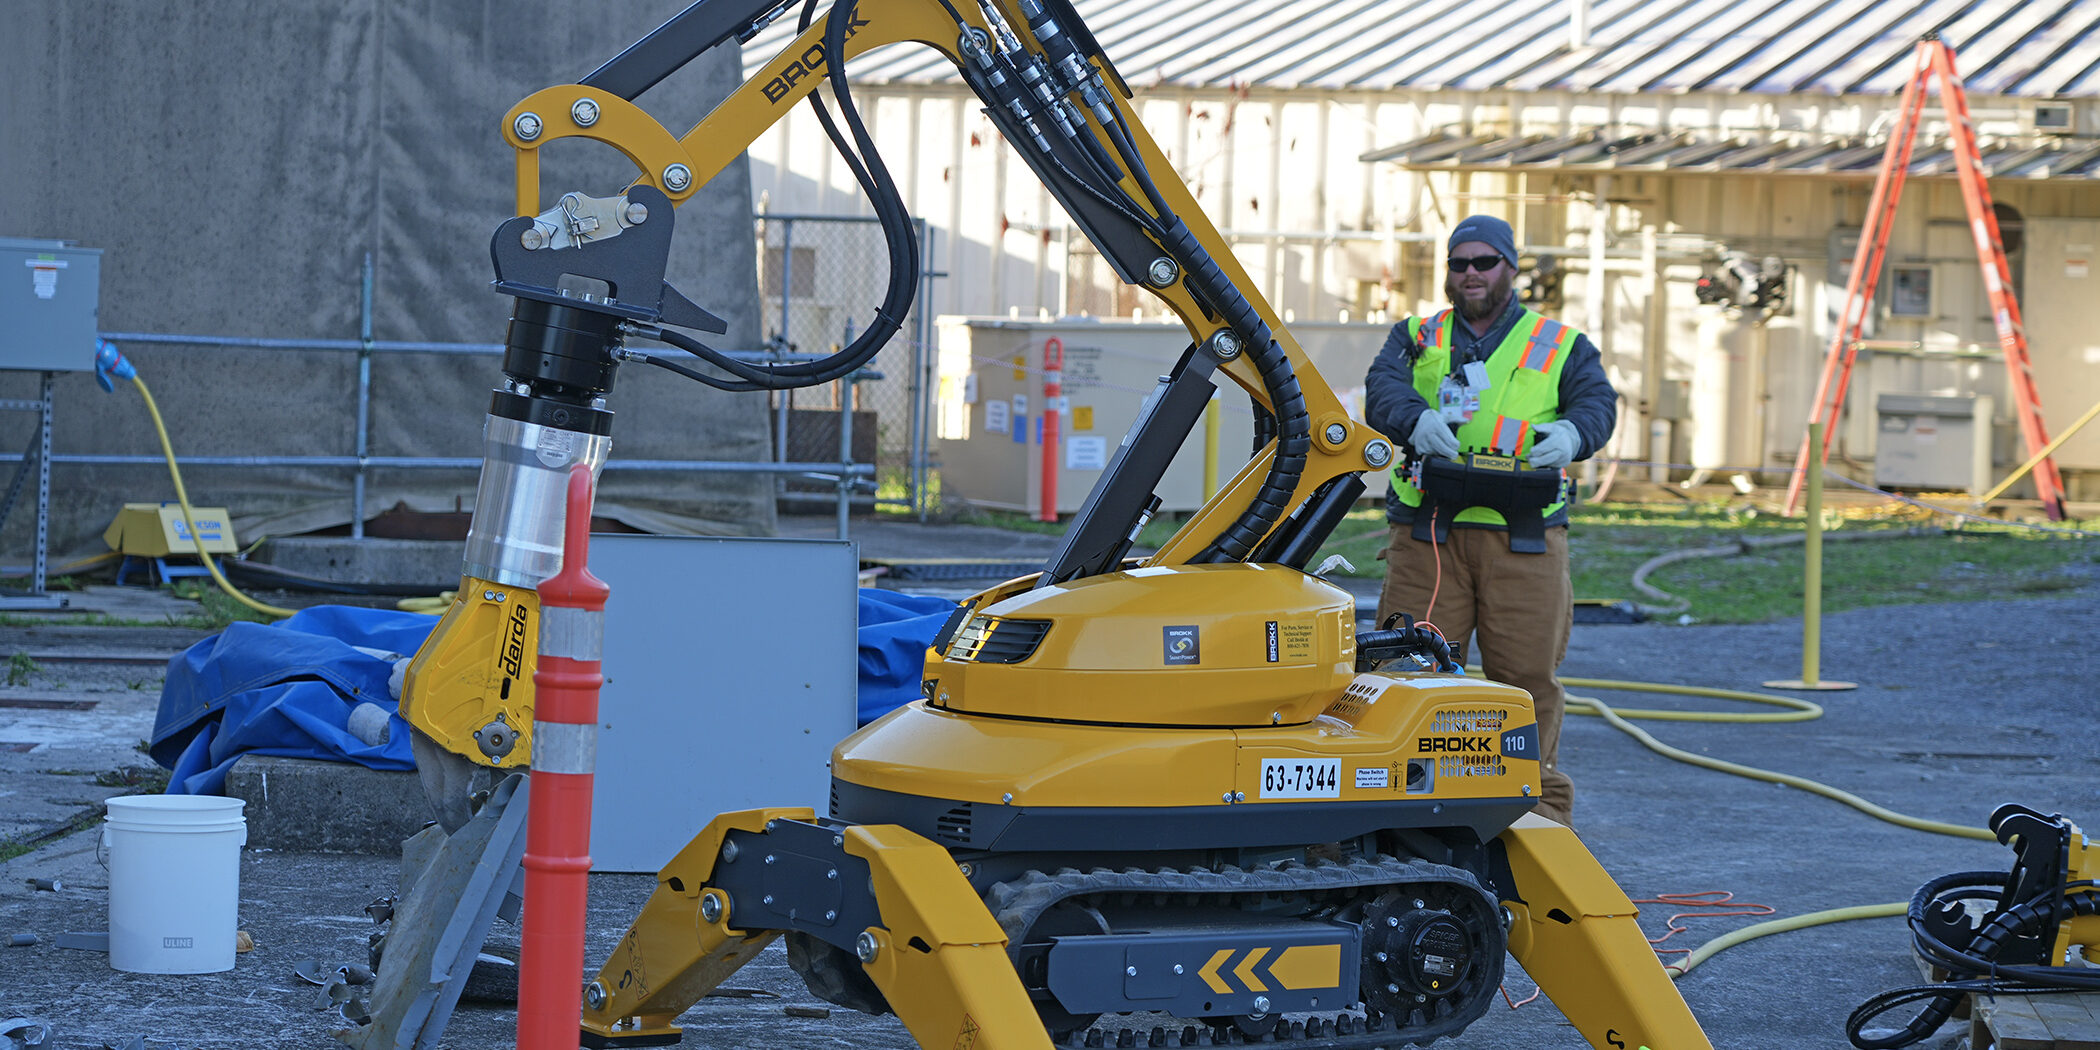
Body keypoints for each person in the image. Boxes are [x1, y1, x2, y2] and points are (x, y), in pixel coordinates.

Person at [1363, 215, 1617, 826]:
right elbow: (1382, 388)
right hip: (1430, 532)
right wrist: (1409, 417)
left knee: (1525, 679)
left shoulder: (1561, 343)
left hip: (1524, 535)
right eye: (1459, 263)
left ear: (1511, 267)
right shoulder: (1416, 335)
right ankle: (1402, 810)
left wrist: (1575, 432)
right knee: (1410, 672)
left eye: (1484, 261)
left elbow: (1598, 404)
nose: (1470, 273)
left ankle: (1536, 815)